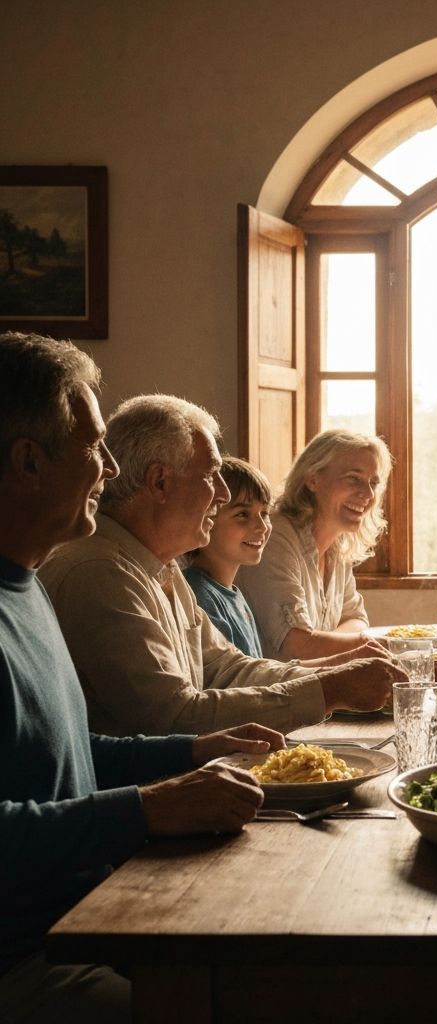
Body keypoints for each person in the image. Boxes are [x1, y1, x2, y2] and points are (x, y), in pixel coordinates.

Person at [0, 332, 278, 1022]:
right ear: (28, 462)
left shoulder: (26, 584)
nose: (107, 471)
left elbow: (63, 757)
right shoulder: (77, 574)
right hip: (25, 957)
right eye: (92, 448)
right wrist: (150, 808)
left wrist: (191, 753)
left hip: (88, 913)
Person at [40, 396, 404, 738]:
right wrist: (330, 689)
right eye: (211, 475)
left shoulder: (159, 569)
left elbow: (230, 669)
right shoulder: (101, 572)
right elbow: (174, 716)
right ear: (160, 482)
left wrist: (336, 676)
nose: (223, 493)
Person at [236, 429, 392, 661]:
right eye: (353, 478)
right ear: (312, 479)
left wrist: (327, 644)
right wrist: (373, 645)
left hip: (315, 686)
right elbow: (296, 647)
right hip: (274, 693)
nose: (367, 493)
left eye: (374, 482)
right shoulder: (274, 536)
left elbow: (357, 619)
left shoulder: (338, 544)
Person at [183, 455, 273, 658]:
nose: (261, 526)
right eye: (242, 514)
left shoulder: (233, 594)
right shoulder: (197, 597)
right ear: (207, 518)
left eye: (265, 513)